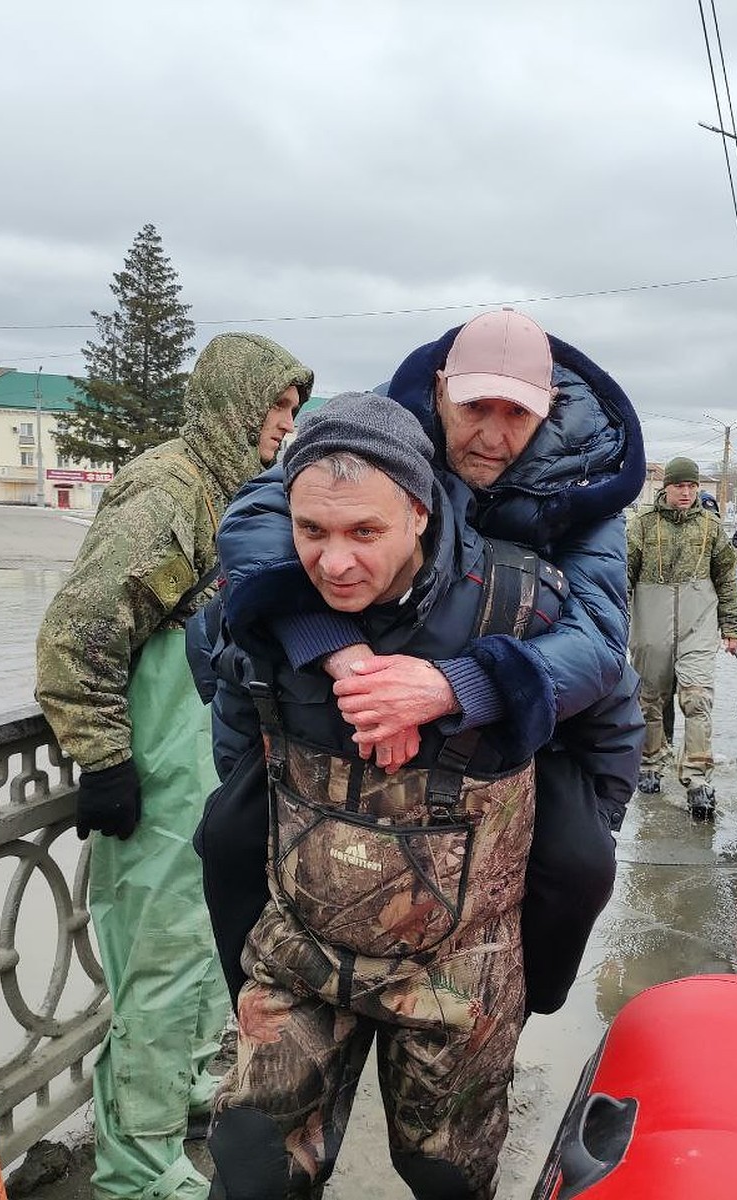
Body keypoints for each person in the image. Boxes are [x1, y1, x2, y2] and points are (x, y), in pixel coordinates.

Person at [208, 307, 646, 1018]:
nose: (494, 436)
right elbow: (258, 521)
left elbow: (598, 638)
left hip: (503, 697)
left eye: (518, 414)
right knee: (227, 835)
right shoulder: (374, 426)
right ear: (440, 389)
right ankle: (252, 1008)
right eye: (476, 408)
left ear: (550, 408)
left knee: (578, 864)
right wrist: (335, 649)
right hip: (353, 680)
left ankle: (514, 1009)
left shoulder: (585, 477)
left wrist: (457, 685)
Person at [202, 393, 583, 1199]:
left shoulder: (520, 599)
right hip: (300, 947)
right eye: (313, 531)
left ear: (418, 510)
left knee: (445, 1179)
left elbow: (604, 719)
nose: (334, 561)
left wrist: (461, 691)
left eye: (364, 533)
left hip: (458, 968)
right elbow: (236, 709)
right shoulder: (270, 596)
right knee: (250, 1170)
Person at [35, 333, 313, 1200]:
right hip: (153, 775)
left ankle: (184, 1092)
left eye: (295, 410)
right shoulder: (172, 490)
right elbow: (76, 634)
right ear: (237, 400)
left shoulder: (230, 491)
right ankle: (136, 1165)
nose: (286, 425)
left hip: (200, 768)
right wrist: (104, 760)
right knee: (155, 968)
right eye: (278, 406)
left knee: (196, 950)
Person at [627, 456, 737, 816]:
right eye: (680, 486)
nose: (687, 492)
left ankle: (698, 777)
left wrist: (732, 627)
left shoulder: (711, 527)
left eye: (692, 487)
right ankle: (650, 762)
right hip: (651, 624)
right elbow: (621, 578)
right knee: (650, 699)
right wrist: (615, 625)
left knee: (697, 698)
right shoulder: (642, 525)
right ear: (667, 487)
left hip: (698, 624)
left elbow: (726, 579)